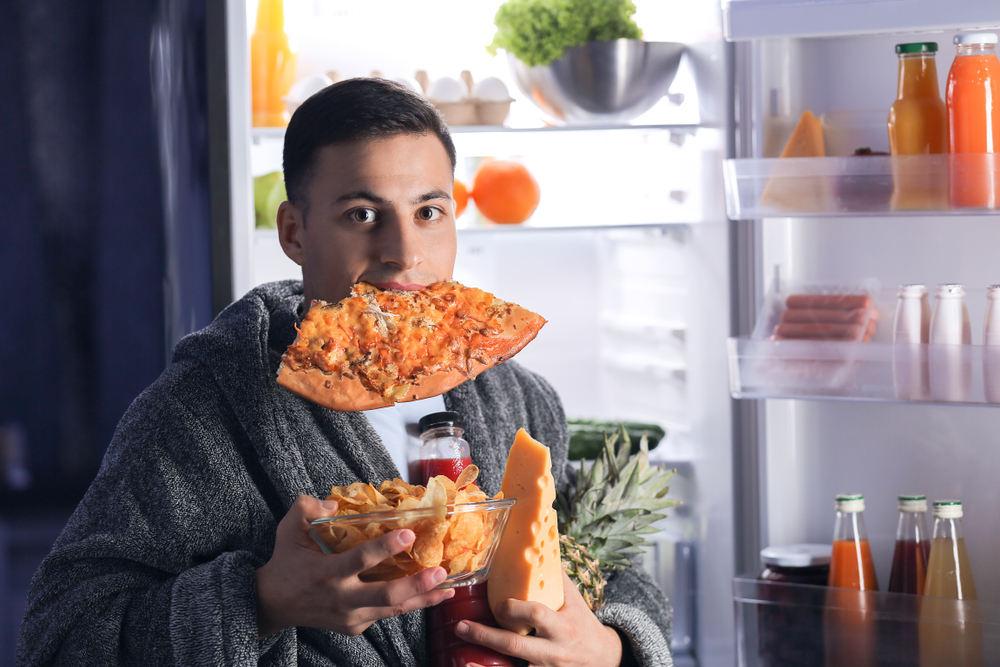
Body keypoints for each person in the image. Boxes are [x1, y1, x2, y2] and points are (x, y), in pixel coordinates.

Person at [16, 78, 673, 667]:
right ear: (295, 232)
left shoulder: (522, 399)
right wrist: (262, 600)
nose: (403, 252)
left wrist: (613, 647)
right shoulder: (199, 411)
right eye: (362, 215)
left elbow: (612, 572)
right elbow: (59, 636)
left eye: (428, 212)